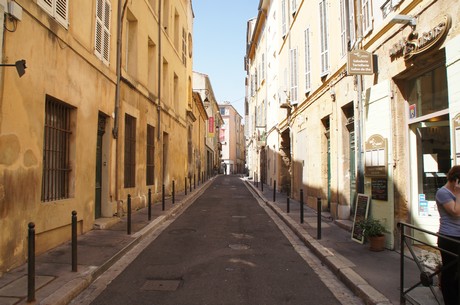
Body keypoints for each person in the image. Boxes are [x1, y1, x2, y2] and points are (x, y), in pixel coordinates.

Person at [435, 165, 460, 305]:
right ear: (456, 180)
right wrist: (458, 193)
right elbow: (456, 212)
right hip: (449, 237)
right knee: (449, 273)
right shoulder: (443, 193)